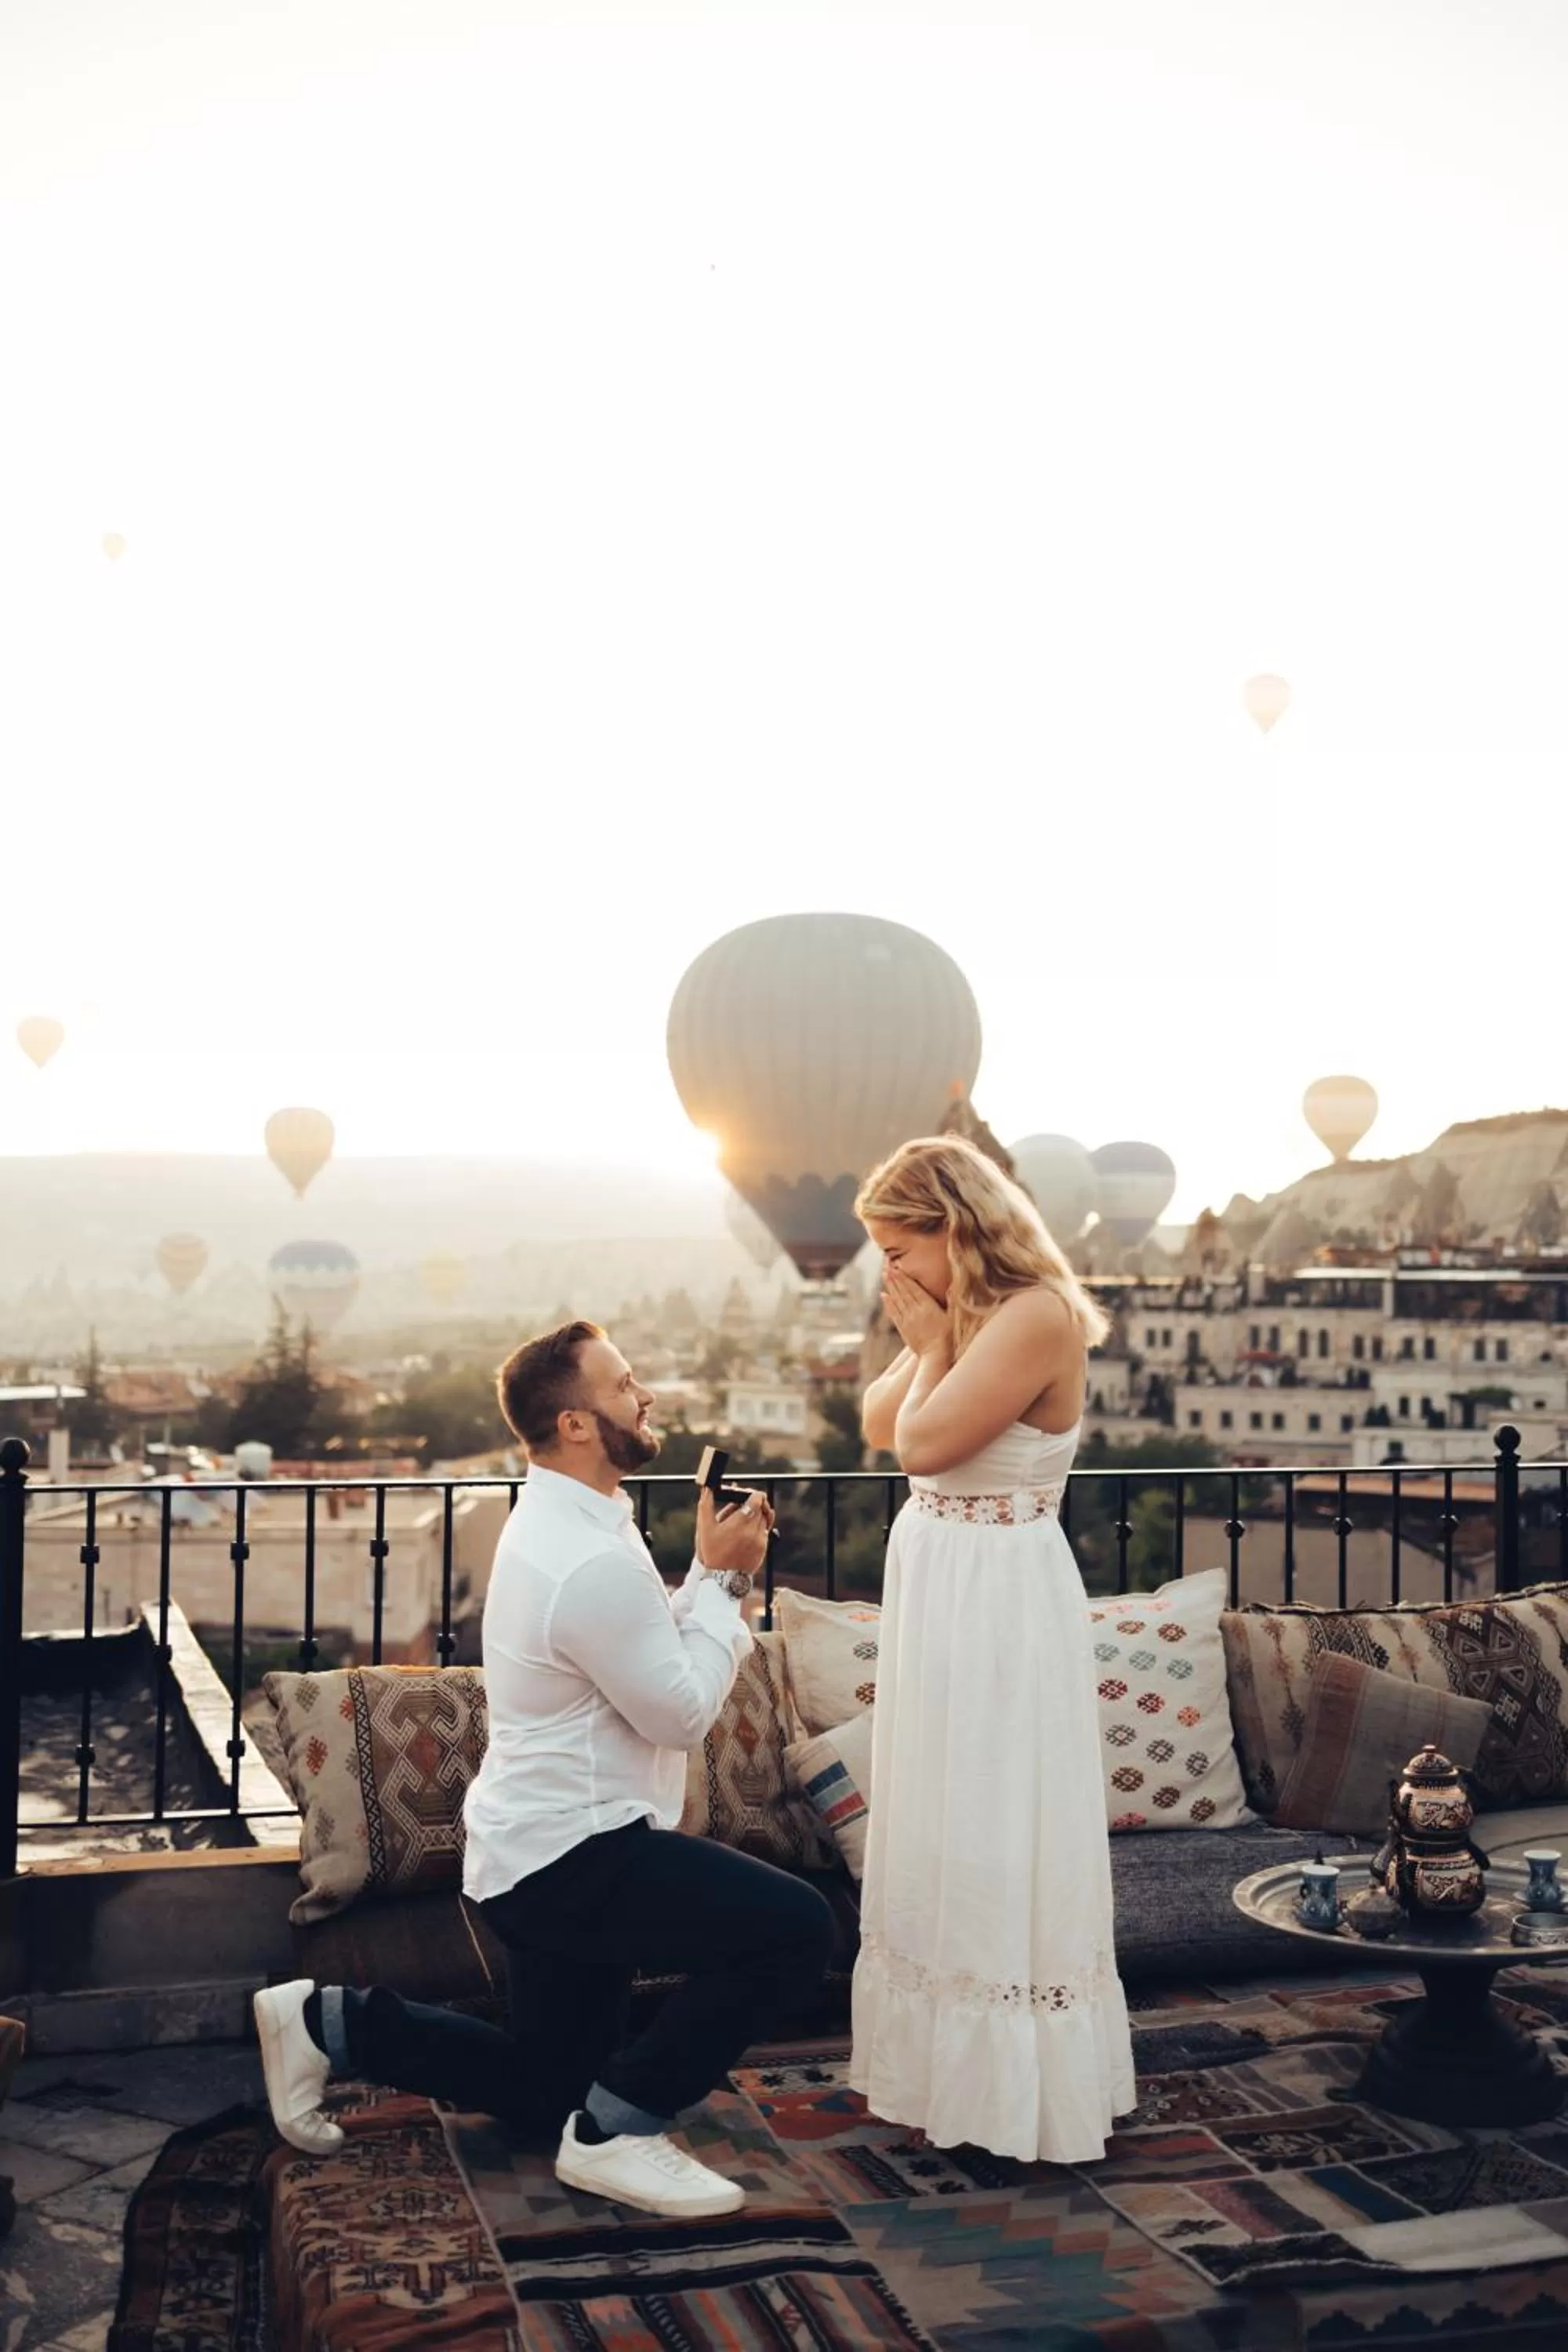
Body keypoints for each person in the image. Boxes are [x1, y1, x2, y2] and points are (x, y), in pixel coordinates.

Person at [254, 1320, 837, 2219]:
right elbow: (679, 1715)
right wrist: (722, 1588)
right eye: (624, 1383)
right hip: (577, 1855)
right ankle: (619, 2131)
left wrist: (705, 1575)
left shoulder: (579, 1522)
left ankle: (328, 2023)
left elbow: (644, 1651)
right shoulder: (585, 1557)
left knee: (544, 2090)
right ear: (574, 1423)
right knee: (795, 1931)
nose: (645, 1396)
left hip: (536, 1847)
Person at [850, 1136, 1135, 2162]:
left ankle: (1017, 2088)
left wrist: (929, 1349)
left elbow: (924, 1446)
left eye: (900, 1246)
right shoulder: (959, 1315)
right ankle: (942, 2073)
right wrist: (925, 1340)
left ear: (956, 1226)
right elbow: (879, 1427)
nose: (891, 1271)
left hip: (1000, 1591)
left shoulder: (1033, 1315)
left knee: (998, 1809)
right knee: (937, 1807)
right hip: (940, 1582)